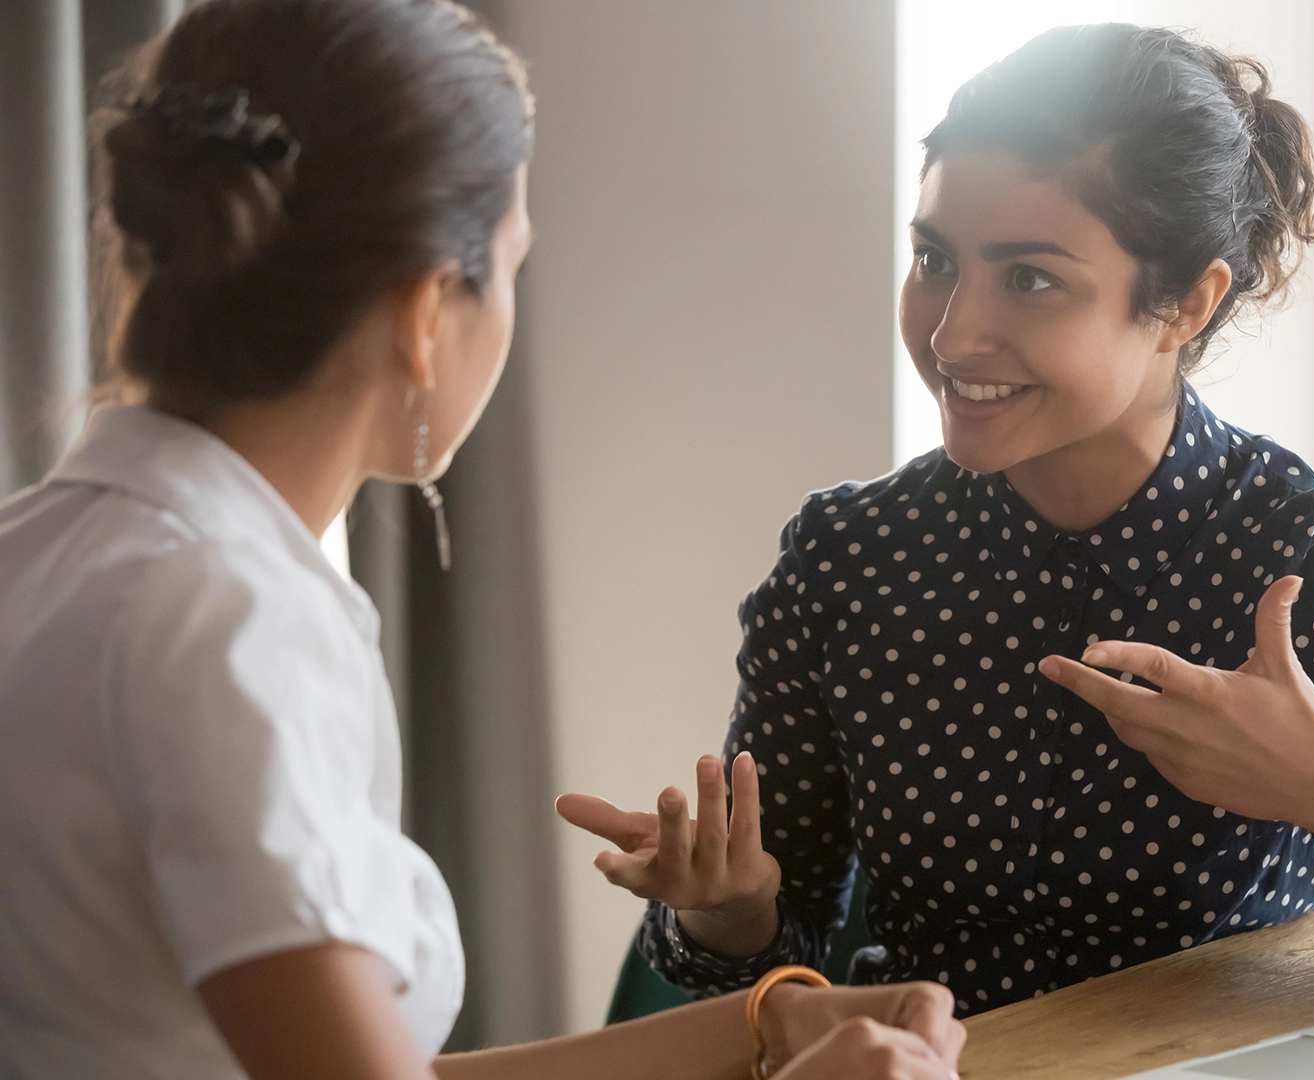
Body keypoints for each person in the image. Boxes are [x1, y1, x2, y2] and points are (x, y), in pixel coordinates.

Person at [0, 2, 964, 1078]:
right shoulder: (229, 625)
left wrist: (756, 1027)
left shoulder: (39, 550)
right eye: (509, 266)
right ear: (422, 312)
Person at [560, 22, 1314, 1016]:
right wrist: (730, 918)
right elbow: (777, 963)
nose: (954, 333)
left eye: (1032, 278)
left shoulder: (1309, 559)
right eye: (935, 259)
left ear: (1185, 302)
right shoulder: (850, 560)